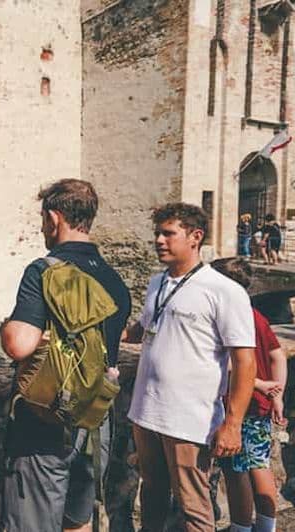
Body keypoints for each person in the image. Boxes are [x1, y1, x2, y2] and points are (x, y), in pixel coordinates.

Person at [0, 179, 131, 532]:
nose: (43, 228)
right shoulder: (113, 278)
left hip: (46, 424)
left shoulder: (44, 271)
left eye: (43, 220)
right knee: (78, 522)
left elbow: (19, 345)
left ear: (55, 219)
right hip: (95, 422)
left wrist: (6, 327)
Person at [123, 203, 256, 532]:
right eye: (157, 233)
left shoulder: (224, 290)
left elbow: (244, 360)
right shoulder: (156, 283)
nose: (158, 240)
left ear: (195, 237)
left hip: (188, 419)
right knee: (151, 493)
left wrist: (233, 424)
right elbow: (139, 331)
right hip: (146, 412)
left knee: (193, 506)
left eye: (168, 233)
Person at [210, 258, 287, 532]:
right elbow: (277, 356)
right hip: (262, 407)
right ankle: (267, 527)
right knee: (260, 465)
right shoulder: (257, 316)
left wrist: (258, 385)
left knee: (236, 471)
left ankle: (240, 527)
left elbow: (230, 364)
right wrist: (277, 395)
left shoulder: (228, 316)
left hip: (239, 404)